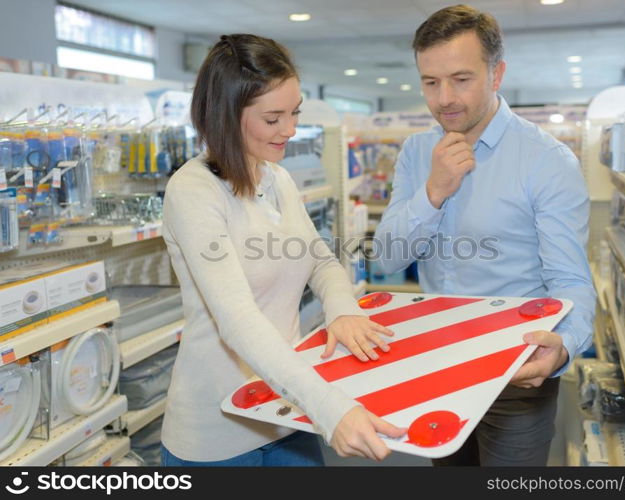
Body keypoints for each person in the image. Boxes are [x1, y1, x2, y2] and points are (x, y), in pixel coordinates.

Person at [160, 33, 405, 467]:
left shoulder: (277, 179)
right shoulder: (194, 191)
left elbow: (322, 260)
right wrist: (331, 408)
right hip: (217, 432)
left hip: (288, 412)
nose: (289, 130)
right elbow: (237, 323)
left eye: (293, 114)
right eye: (273, 119)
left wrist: (342, 308)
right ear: (225, 115)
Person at [373, 5, 596, 466]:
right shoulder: (418, 153)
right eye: (430, 82)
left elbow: (571, 279)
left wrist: (561, 352)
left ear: (497, 74)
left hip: (517, 367)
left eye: (461, 78)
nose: (444, 98)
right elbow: (387, 258)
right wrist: (433, 191)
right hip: (441, 362)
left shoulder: (546, 161)